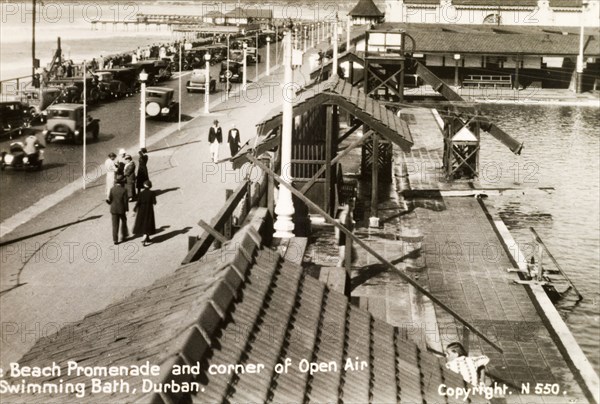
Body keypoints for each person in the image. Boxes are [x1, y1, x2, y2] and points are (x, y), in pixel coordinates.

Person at [133, 180, 157, 246]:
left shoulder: (141, 193)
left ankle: (147, 238)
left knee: (143, 223)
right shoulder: (152, 193)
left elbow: (138, 202)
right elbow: (154, 202)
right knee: (148, 223)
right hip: (149, 210)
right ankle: (145, 237)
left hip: (141, 210)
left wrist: (135, 210)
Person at [335, 197, 357, 267]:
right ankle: (338, 271)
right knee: (342, 257)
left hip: (348, 238)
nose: (352, 207)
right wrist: (337, 237)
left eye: (353, 206)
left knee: (353, 257)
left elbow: (351, 228)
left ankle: (344, 270)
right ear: (346, 206)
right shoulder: (344, 214)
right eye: (351, 205)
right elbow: (340, 224)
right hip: (343, 237)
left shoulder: (350, 214)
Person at [107, 175, 129, 245]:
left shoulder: (112, 189)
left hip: (113, 209)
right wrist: (126, 209)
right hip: (121, 209)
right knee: (124, 222)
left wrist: (109, 202)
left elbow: (110, 199)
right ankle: (124, 236)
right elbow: (125, 201)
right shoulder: (124, 190)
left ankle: (115, 240)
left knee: (115, 225)